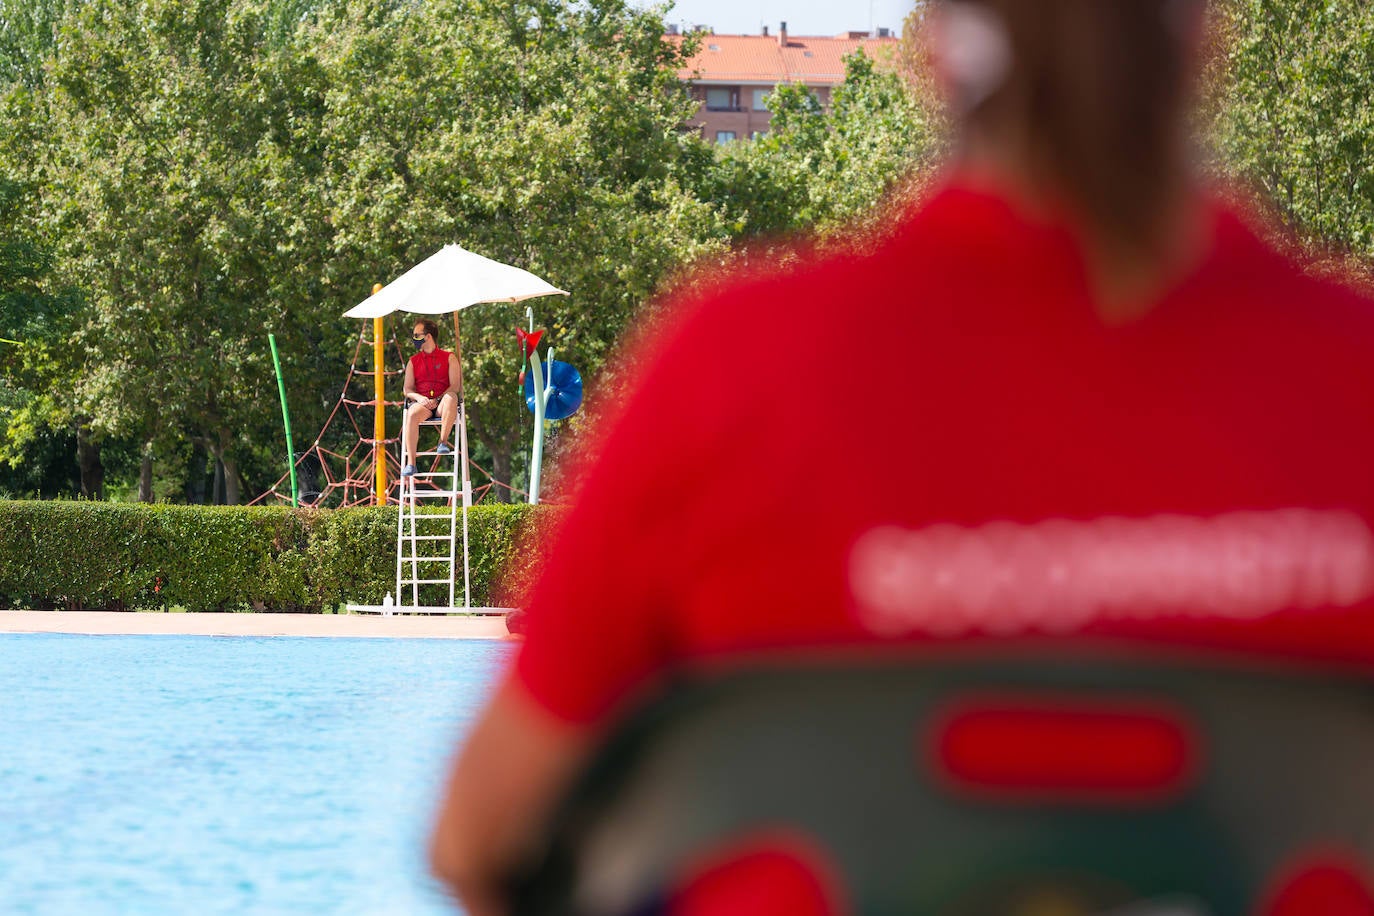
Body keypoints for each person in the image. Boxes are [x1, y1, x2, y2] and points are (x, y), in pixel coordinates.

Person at [431, 1, 1374, 913]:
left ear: (934, 59)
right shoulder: (1352, 380)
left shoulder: (736, 370)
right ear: (1206, 42)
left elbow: (477, 838)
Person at [402, 318, 461, 477]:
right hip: (423, 404)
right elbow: (407, 389)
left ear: (428, 336)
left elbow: (455, 385)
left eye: (416, 335)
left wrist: (439, 398)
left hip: (443, 404)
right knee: (412, 413)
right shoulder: (413, 361)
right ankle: (411, 463)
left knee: (451, 397)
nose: (414, 338)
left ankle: (443, 441)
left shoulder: (450, 357)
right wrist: (420, 398)